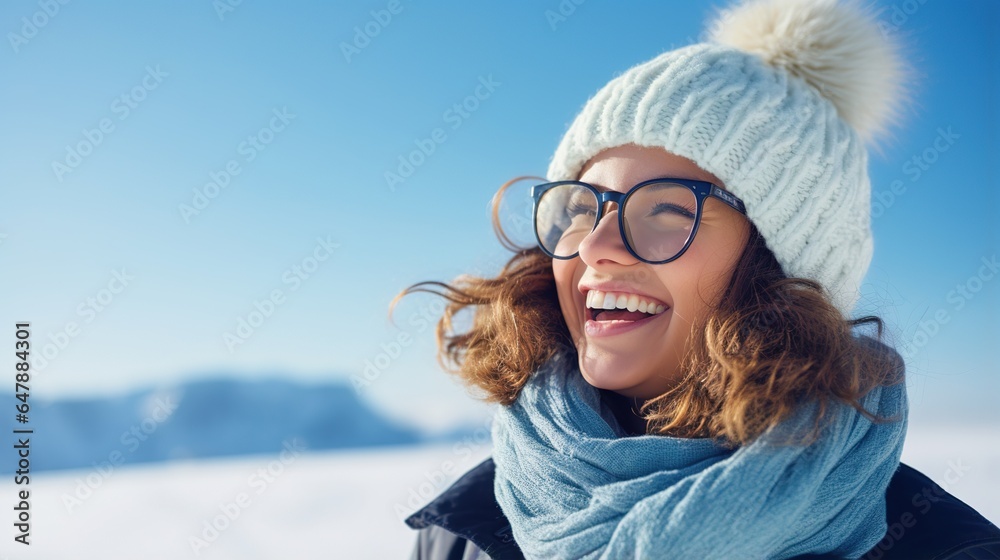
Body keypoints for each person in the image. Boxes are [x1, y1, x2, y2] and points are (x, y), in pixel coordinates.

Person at [393, 0, 1000, 558]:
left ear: (781, 274)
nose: (598, 248)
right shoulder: (465, 528)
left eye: (665, 213)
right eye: (581, 209)